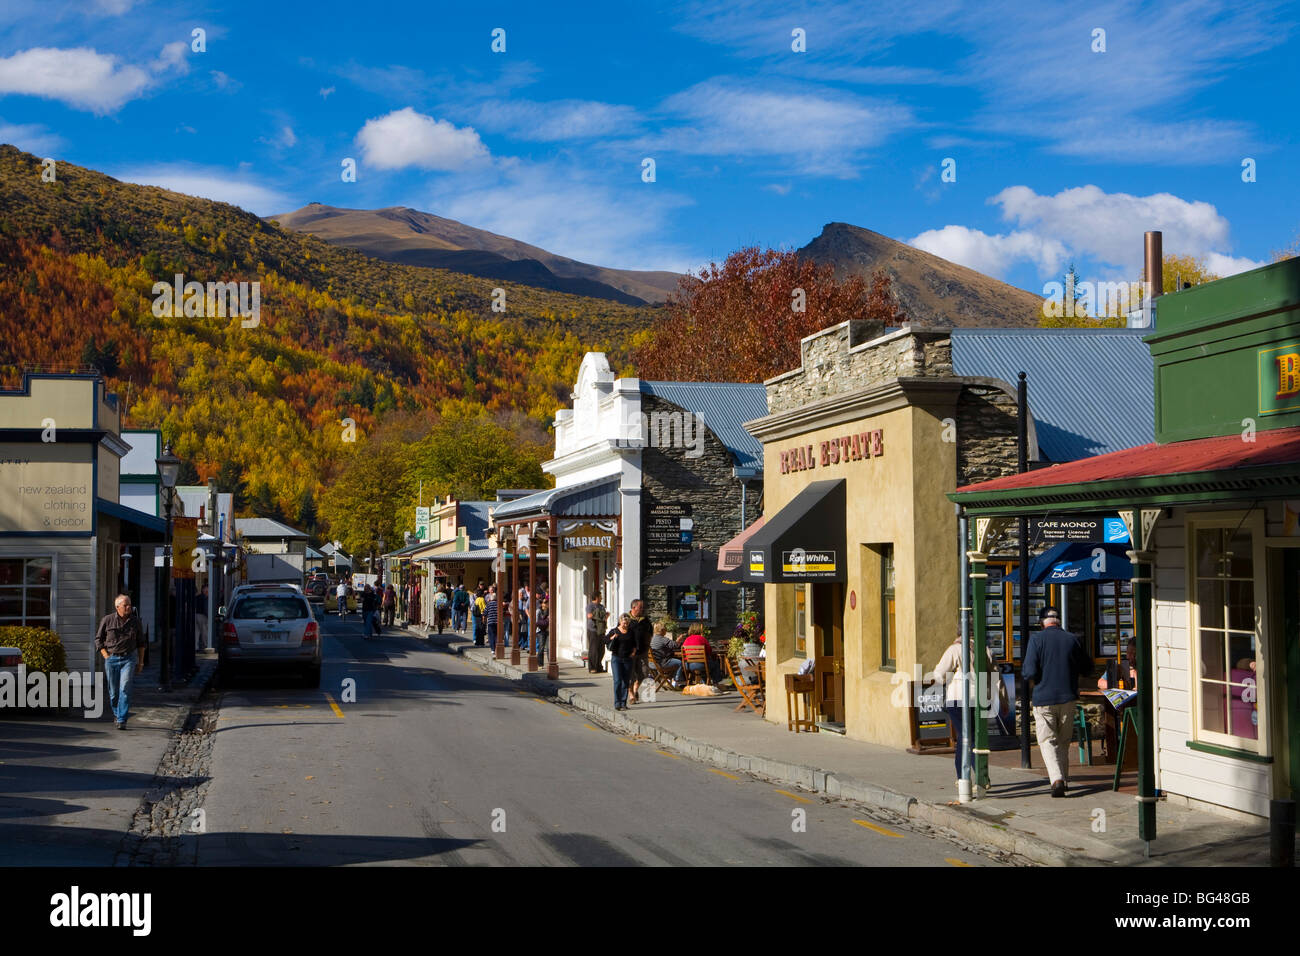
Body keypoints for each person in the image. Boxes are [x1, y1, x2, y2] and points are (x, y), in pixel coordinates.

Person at [1022, 606, 1092, 797]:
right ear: (1058, 621)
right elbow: (1088, 667)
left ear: (1041, 622)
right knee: (1063, 740)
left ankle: (1057, 779)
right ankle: (1064, 780)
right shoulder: (1072, 639)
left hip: (1043, 698)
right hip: (1068, 697)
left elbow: (1029, 671)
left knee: (1047, 740)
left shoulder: (1036, 640)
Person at [932, 632, 998, 783]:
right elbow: (995, 676)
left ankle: (971, 777)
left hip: (958, 698)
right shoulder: (986, 649)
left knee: (965, 737)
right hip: (981, 698)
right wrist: (1002, 700)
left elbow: (939, 675)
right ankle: (967, 777)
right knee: (972, 737)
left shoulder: (955, 649)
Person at [95, 594, 145, 730]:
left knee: (125, 687)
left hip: (129, 658)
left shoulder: (135, 621)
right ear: (117, 607)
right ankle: (117, 714)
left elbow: (141, 643)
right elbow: (98, 640)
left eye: (129, 604)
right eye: (125, 605)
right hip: (111, 658)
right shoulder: (107, 620)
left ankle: (122, 719)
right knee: (113, 692)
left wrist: (141, 663)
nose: (129, 607)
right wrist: (106, 656)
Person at [605, 613, 638, 710]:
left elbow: (635, 643)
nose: (626, 625)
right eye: (624, 623)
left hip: (628, 659)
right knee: (617, 681)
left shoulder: (631, 632)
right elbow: (605, 640)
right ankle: (617, 703)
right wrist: (612, 638)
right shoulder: (614, 631)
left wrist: (634, 652)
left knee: (626, 681)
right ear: (620, 622)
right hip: (617, 659)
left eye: (627, 623)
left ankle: (623, 703)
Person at [627, 598, 653, 703]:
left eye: (643, 607)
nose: (643, 609)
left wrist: (648, 643)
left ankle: (635, 689)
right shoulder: (626, 619)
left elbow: (650, 632)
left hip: (643, 651)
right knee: (630, 675)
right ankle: (631, 695)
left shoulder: (645, 620)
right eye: (640, 607)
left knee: (644, 673)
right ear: (633, 608)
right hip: (630, 652)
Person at [650, 621, 684, 688]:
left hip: (652, 664)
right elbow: (675, 645)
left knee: (673, 661)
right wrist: (679, 639)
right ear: (662, 630)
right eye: (665, 629)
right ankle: (676, 681)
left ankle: (668, 681)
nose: (666, 631)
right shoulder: (663, 639)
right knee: (679, 662)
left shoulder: (652, 639)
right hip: (662, 664)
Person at [586, 593, 608, 673]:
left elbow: (605, 616)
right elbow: (589, 616)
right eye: (600, 597)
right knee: (593, 649)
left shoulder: (601, 606)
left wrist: (605, 615)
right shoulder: (590, 606)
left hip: (601, 630)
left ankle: (599, 666)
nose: (601, 598)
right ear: (596, 597)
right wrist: (598, 614)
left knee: (601, 649)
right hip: (593, 630)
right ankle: (592, 667)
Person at [534, 599, 550, 665]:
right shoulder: (538, 611)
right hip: (540, 631)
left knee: (549, 648)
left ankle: (550, 662)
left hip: (548, 630)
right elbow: (536, 622)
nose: (545, 604)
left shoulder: (549, 610)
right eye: (543, 602)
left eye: (546, 602)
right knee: (541, 647)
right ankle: (540, 663)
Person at [517, 585, 531, 650]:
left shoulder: (525, 600)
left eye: (522, 593)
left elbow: (526, 608)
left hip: (524, 616)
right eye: (520, 593)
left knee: (524, 631)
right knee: (519, 632)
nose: (521, 595)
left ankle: (524, 644)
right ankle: (519, 643)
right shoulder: (516, 601)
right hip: (518, 618)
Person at [485, 587, 499, 651]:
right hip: (496, 621)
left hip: (490, 621)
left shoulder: (488, 604)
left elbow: (485, 612)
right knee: (496, 635)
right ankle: (496, 647)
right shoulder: (498, 605)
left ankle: (492, 649)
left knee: (491, 635)